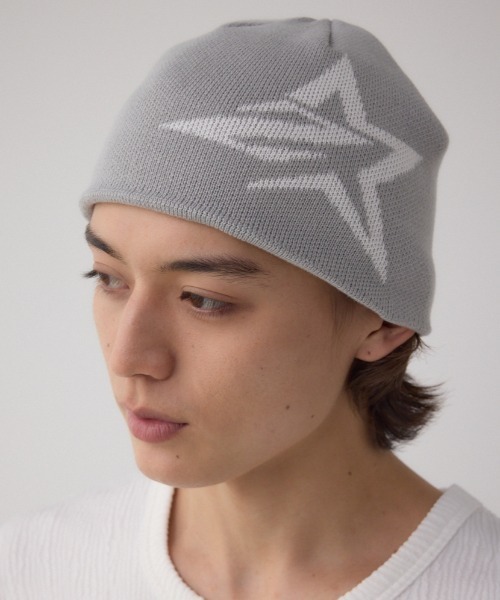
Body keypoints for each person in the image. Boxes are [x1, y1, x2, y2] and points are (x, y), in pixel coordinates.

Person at [1, 17, 499, 599]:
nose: (128, 357)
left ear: (383, 320)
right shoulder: (29, 569)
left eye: (204, 300)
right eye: (109, 279)